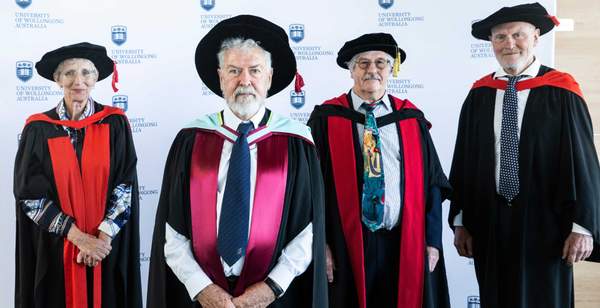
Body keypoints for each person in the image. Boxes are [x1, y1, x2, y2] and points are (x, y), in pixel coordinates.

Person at [146, 15, 327, 308]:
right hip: (202, 297)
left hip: (273, 298)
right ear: (220, 77)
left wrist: (271, 288)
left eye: (254, 70)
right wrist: (202, 288)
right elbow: (172, 227)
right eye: (234, 71)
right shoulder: (191, 140)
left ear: (269, 76)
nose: (245, 81)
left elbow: (307, 231)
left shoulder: (296, 143)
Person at [449, 3, 600, 307]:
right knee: (496, 297)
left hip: (548, 223)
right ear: (491, 43)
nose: (509, 43)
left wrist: (582, 227)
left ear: (535, 38)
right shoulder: (480, 94)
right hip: (490, 221)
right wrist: (461, 219)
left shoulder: (561, 91)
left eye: (518, 34)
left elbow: (583, 162)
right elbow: (464, 161)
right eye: (500, 37)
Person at [307, 33, 451, 308]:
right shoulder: (326, 119)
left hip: (402, 240)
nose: (372, 70)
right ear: (351, 71)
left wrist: (433, 241)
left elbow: (432, 183)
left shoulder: (410, 118)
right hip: (344, 244)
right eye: (362, 63)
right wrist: (321, 243)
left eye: (381, 63)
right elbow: (311, 189)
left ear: (391, 69)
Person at [14, 42, 142, 308]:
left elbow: (125, 186)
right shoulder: (38, 129)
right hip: (57, 250)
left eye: (86, 72)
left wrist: (101, 242)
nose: (78, 81)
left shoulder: (115, 123)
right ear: (58, 79)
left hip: (108, 250)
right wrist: (80, 239)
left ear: (96, 79)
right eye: (69, 73)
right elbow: (30, 195)